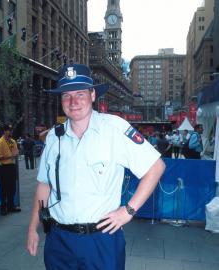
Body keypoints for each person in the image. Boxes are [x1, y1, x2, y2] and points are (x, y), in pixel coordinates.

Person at [26, 64, 165, 270]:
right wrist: (32, 228)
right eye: (66, 95)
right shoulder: (54, 137)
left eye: (80, 94)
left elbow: (156, 167)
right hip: (59, 241)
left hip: (102, 240)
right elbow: (44, 186)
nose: (73, 102)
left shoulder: (114, 129)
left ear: (92, 95)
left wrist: (128, 211)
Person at [0, 124, 21, 216]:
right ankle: (3, 207)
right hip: (2, 168)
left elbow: (16, 152)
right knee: (3, 189)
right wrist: (11, 156)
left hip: (11, 167)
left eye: (10, 130)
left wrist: (12, 155)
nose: (10, 132)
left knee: (12, 188)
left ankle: (11, 206)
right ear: (4, 132)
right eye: (8, 130)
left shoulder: (13, 141)